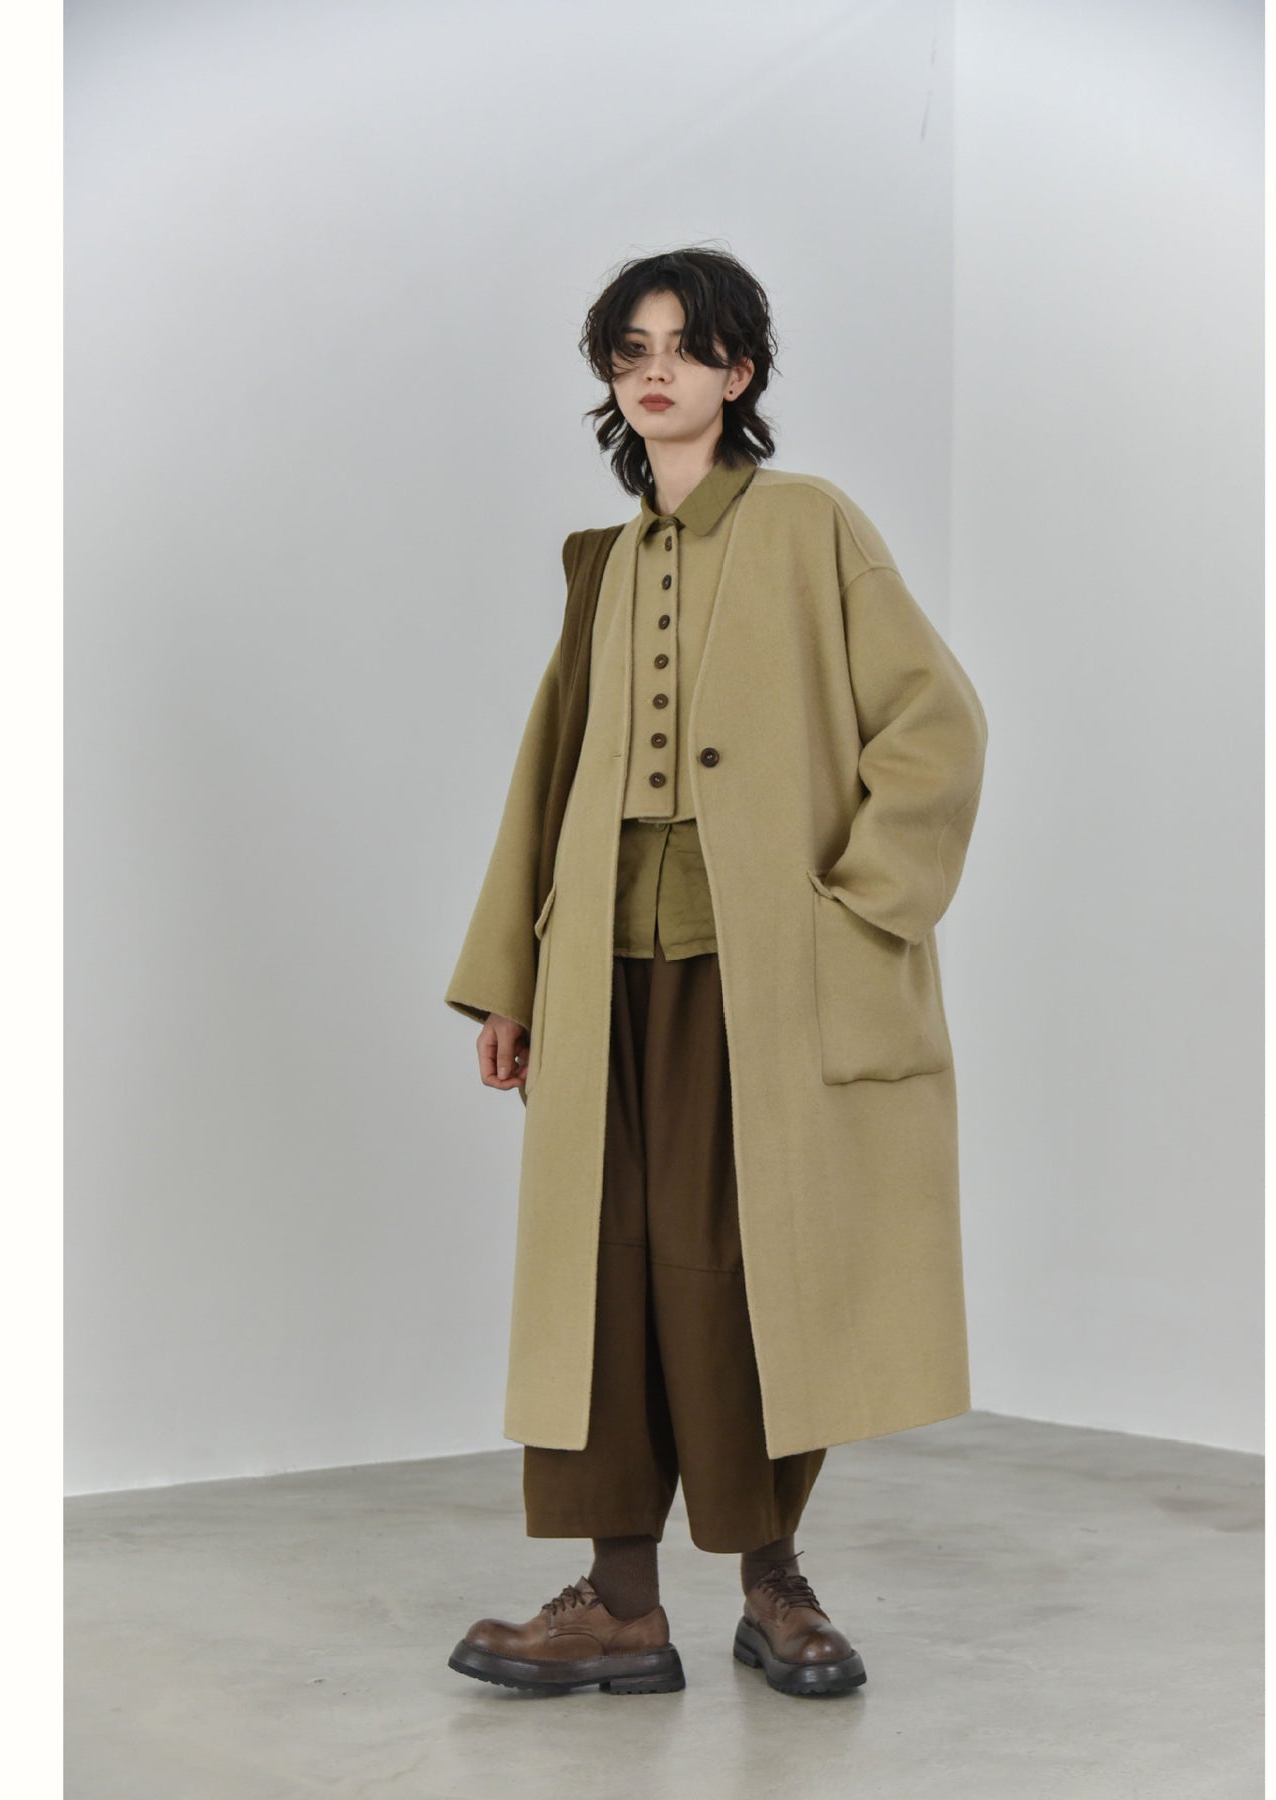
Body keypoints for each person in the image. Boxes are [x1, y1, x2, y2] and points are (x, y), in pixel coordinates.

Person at [444, 247, 989, 1699]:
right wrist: (510, 980)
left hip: (755, 976)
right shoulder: (603, 564)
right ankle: (619, 1606)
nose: (656, 371)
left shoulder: (811, 524)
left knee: (745, 1275)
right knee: (599, 1284)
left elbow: (936, 721)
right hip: (599, 974)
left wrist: (861, 906)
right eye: (631, 350)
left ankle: (773, 1585)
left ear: (739, 373)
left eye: (685, 347)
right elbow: (547, 776)